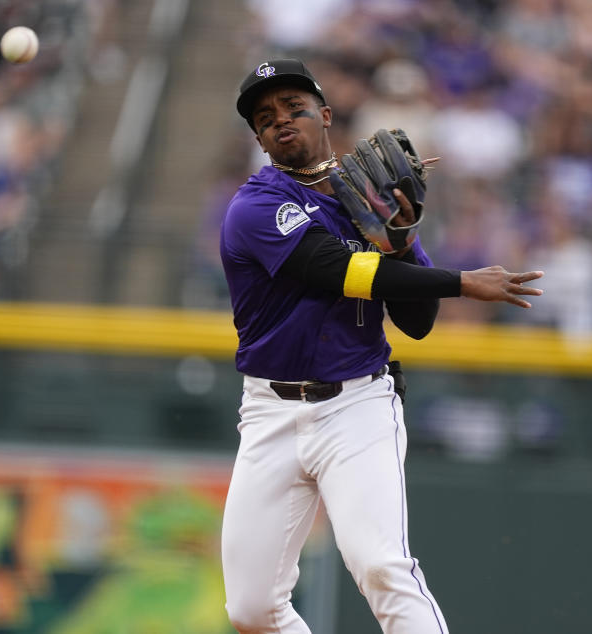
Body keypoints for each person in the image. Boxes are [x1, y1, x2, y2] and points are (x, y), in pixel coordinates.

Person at [218, 58, 543, 634]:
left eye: (294, 107)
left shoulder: (365, 199)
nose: (281, 121)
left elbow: (416, 324)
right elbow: (334, 270)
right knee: (251, 609)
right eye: (266, 118)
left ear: (325, 114)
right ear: (259, 138)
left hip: (356, 406)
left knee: (382, 566)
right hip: (269, 411)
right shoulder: (255, 206)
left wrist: (401, 236)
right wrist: (462, 280)